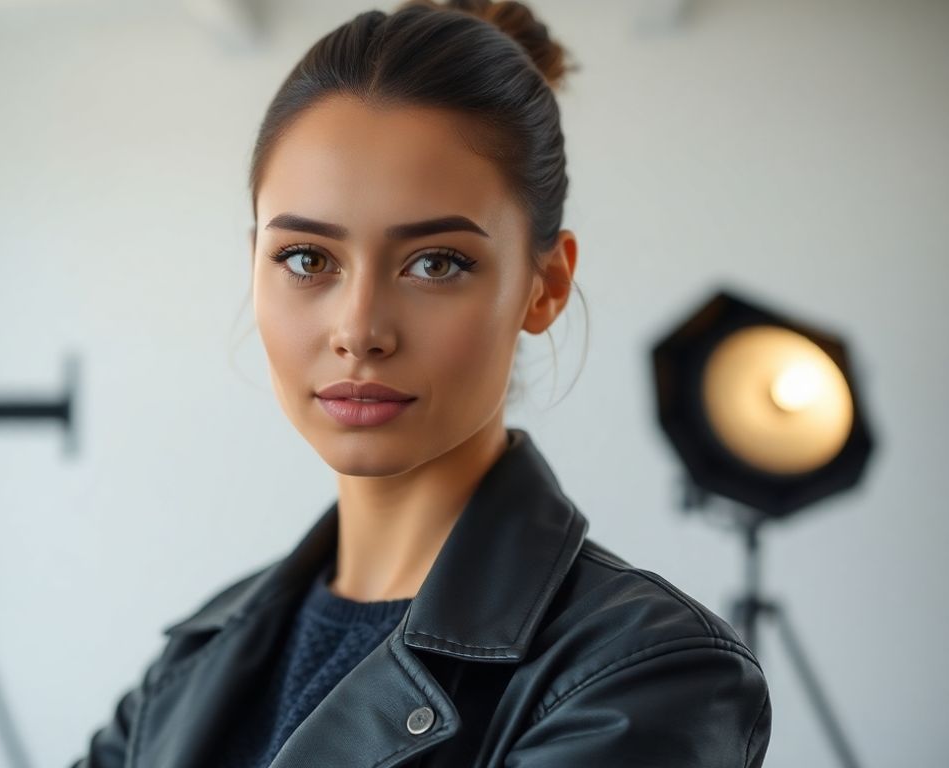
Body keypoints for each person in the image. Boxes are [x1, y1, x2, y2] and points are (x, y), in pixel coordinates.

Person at [72, 1, 772, 766]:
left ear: (545, 285)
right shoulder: (192, 660)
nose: (360, 327)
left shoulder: (644, 674)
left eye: (436, 262)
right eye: (308, 259)